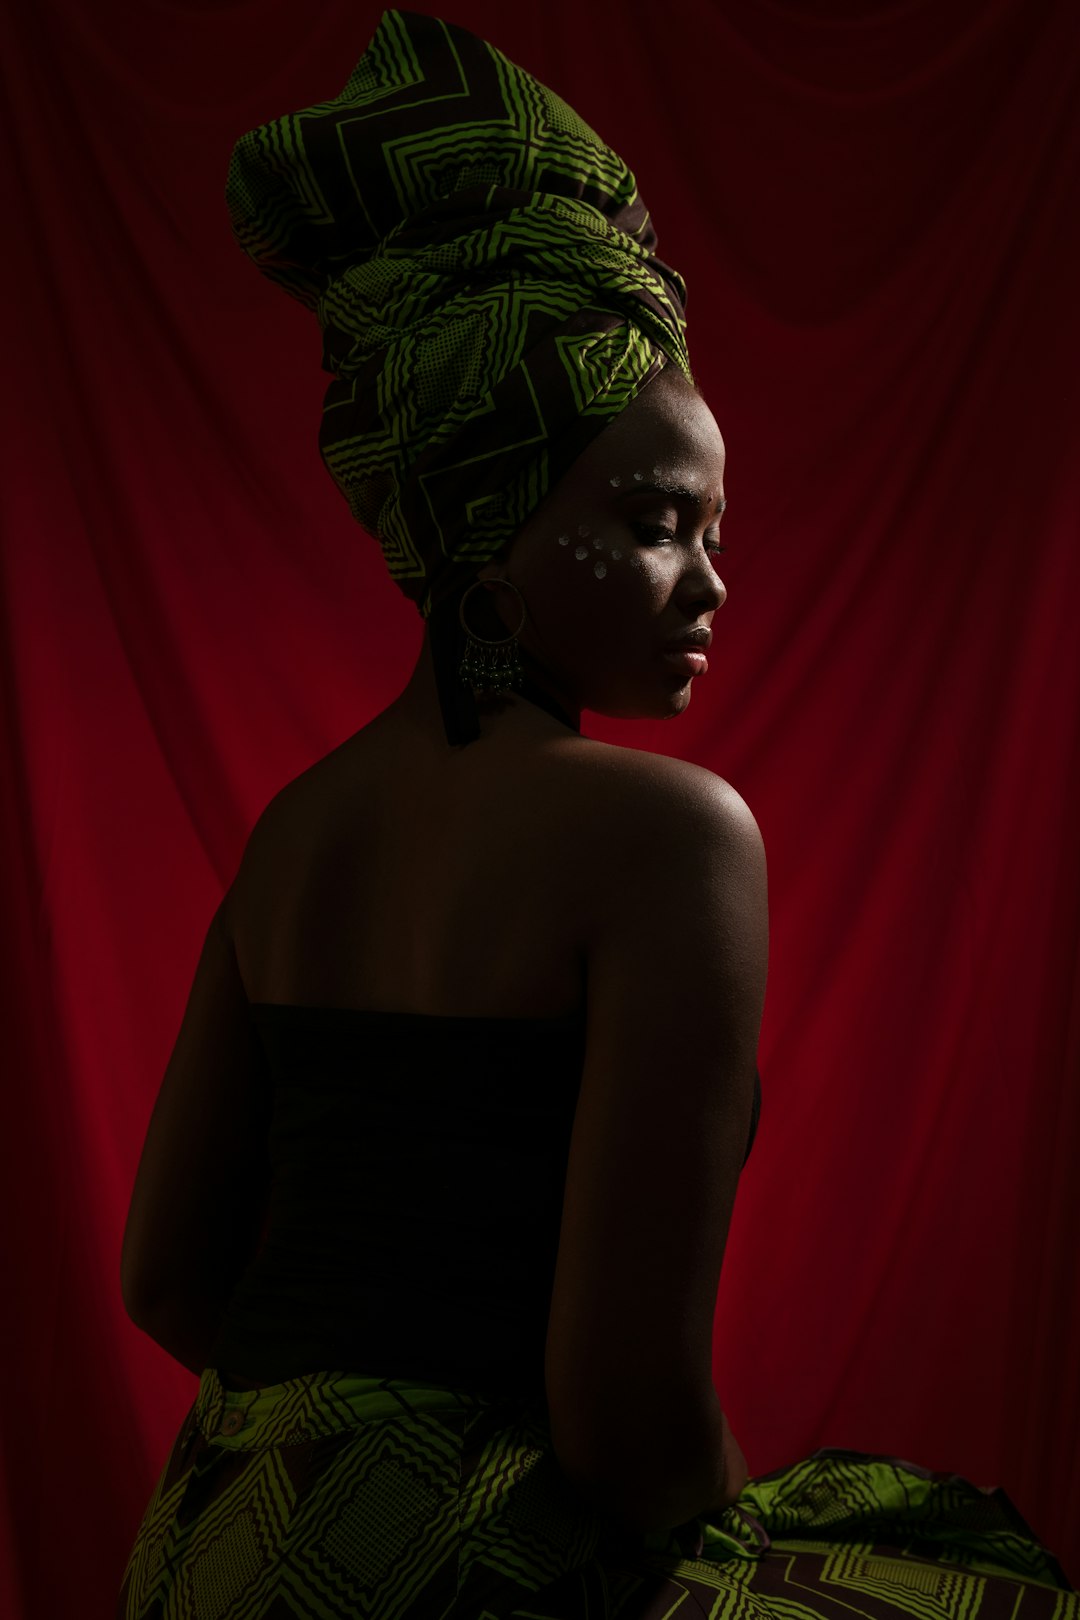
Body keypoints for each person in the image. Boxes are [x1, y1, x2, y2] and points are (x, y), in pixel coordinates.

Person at [117, 12, 1076, 1618]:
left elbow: (169, 1279)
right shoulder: (672, 837)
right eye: (651, 523)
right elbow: (623, 1413)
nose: (710, 583)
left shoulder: (297, 828)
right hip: (463, 1567)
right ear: (486, 524)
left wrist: (343, 1453)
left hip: (216, 1539)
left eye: (713, 527)